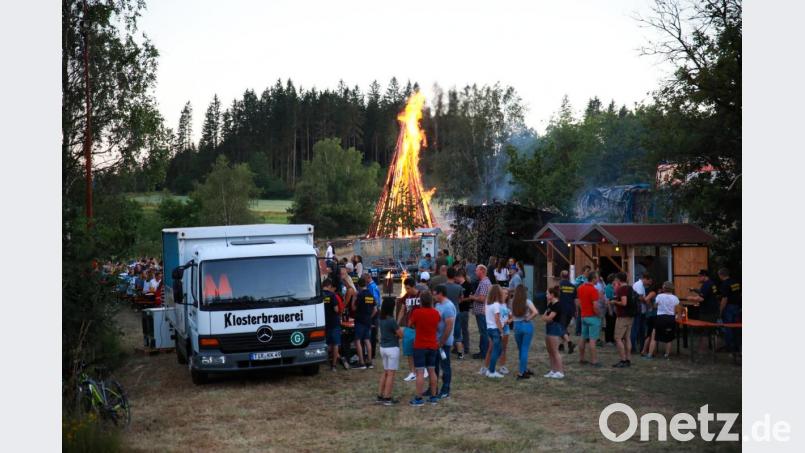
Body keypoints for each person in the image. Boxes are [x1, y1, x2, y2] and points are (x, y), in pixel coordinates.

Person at [409, 291, 441, 406]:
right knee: (432, 371)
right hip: (432, 345)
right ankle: (433, 397)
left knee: (420, 372)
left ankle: (418, 398)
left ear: (421, 301)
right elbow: (437, 326)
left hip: (420, 345)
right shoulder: (436, 313)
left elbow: (410, 324)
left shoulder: (417, 312)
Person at [396, 277, 428, 382]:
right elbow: (402, 310)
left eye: (408, 288)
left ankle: (424, 369)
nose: (407, 290)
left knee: (420, 350)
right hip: (409, 328)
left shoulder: (422, 296)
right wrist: (397, 323)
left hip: (420, 327)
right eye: (405, 288)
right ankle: (412, 372)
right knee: (408, 350)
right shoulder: (406, 297)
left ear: (414, 286)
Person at [686, 269, 720, 353]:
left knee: (704, 330)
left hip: (707, 311)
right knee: (712, 330)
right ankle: (713, 349)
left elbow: (701, 298)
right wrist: (694, 290)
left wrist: (691, 298)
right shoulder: (712, 283)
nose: (698, 278)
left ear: (704, 275)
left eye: (699, 276)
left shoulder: (706, 285)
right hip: (714, 310)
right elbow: (705, 293)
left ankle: (702, 350)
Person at [377, 298, 402, 405]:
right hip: (392, 348)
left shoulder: (381, 319)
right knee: (391, 373)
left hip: (383, 347)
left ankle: (380, 395)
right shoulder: (391, 321)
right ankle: (387, 397)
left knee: (385, 371)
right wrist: (396, 335)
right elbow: (401, 334)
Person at [647, 281, 681, 359]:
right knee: (668, 338)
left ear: (664, 288)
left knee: (654, 336)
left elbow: (655, 306)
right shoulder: (675, 298)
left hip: (660, 317)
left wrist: (655, 306)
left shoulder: (659, 296)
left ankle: (649, 354)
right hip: (670, 318)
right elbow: (678, 309)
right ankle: (666, 354)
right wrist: (677, 316)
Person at [433, 285, 456, 398]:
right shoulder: (438, 305)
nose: (434, 296)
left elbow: (449, 327)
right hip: (436, 341)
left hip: (444, 343)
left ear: (440, 293)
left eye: (435, 293)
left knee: (445, 366)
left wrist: (442, 342)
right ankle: (433, 388)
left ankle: (445, 389)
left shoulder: (448, 307)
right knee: (434, 366)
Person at [511, 285, 538, 379]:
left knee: (521, 349)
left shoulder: (513, 302)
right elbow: (535, 312)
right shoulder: (527, 301)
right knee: (525, 349)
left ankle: (524, 369)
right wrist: (528, 318)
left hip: (516, 326)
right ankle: (521, 372)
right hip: (526, 325)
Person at [577, 271, 602, 367]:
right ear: (593, 279)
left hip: (584, 316)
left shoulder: (580, 288)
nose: (598, 279)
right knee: (592, 340)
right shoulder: (593, 290)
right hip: (592, 317)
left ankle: (581, 358)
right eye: (597, 278)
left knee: (583, 338)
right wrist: (599, 314)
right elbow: (595, 306)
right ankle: (594, 361)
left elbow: (579, 302)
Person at [322, 279, 348, 371]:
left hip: (324, 322)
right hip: (334, 322)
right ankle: (333, 365)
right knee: (336, 343)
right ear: (329, 286)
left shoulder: (320, 295)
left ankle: (323, 360)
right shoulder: (332, 295)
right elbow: (336, 309)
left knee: (327, 343)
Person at [610, 272, 635, 368]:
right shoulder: (630, 288)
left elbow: (624, 303)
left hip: (623, 317)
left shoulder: (622, 289)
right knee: (627, 337)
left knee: (618, 338)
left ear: (619, 280)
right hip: (630, 316)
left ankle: (623, 360)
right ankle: (628, 359)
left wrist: (614, 301)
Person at [352, 277, 377, 369]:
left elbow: (354, 308)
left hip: (359, 320)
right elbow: (375, 309)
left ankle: (361, 363)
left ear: (358, 286)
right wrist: (369, 317)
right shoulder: (370, 294)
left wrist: (354, 298)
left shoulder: (360, 295)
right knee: (367, 340)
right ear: (366, 284)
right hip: (368, 321)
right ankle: (370, 362)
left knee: (357, 340)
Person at [542, 286, 565, 379]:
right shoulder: (550, 304)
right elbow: (544, 317)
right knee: (550, 351)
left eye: (547, 294)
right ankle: (553, 370)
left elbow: (549, 317)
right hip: (549, 327)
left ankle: (560, 371)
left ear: (552, 295)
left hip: (555, 328)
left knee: (555, 351)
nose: (546, 295)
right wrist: (546, 318)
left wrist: (547, 318)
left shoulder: (557, 305)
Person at [718, 268, 742, 355]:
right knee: (737, 327)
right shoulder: (735, 282)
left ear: (721, 275)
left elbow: (724, 299)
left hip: (729, 308)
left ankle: (730, 348)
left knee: (728, 328)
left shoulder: (725, 284)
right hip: (737, 307)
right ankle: (737, 346)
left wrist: (720, 311)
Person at [470, 265, 492, 359]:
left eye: (476, 270)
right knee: (484, 331)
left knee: (484, 332)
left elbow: (482, 298)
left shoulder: (484, 283)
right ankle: (485, 351)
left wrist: (472, 297)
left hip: (482, 311)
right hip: (484, 311)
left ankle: (484, 352)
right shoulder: (486, 281)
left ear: (482, 271)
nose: (475, 272)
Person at [483, 285, 505, 378]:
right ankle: (492, 371)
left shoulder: (487, 304)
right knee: (496, 350)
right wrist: (501, 331)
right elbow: (497, 319)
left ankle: (490, 369)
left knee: (496, 349)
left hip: (489, 329)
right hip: (495, 329)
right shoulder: (496, 305)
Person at [444, 268, 465, 359]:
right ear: (455, 276)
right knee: (457, 333)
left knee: (444, 331)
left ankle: (444, 351)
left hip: (445, 312)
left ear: (446, 275)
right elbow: (461, 299)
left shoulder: (442, 286)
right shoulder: (459, 287)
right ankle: (460, 353)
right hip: (456, 311)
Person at [631, 273, 654, 354]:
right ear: (645, 279)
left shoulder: (640, 285)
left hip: (641, 311)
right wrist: (648, 302)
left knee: (640, 330)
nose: (650, 284)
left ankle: (641, 347)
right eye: (649, 281)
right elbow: (640, 298)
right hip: (638, 311)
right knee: (636, 329)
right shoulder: (639, 285)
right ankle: (633, 347)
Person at [557, 271, 577, 354]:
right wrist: (575, 311)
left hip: (562, 309)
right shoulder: (573, 286)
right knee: (564, 327)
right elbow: (575, 300)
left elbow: (556, 298)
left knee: (561, 327)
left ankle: (569, 343)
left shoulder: (559, 286)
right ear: (568, 276)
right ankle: (561, 345)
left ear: (561, 276)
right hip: (570, 309)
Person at [455, 269, 473, 359]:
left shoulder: (468, 285)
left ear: (460, 277)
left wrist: (461, 300)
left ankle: (466, 348)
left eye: (456, 277)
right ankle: (456, 347)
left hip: (464, 310)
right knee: (457, 330)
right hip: (457, 310)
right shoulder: (457, 285)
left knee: (464, 330)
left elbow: (470, 298)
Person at [604, 274, 617, 345]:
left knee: (613, 324)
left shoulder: (613, 287)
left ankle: (612, 339)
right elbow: (608, 300)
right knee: (609, 324)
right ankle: (608, 340)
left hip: (614, 309)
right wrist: (610, 310)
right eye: (615, 279)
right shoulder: (608, 287)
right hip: (610, 309)